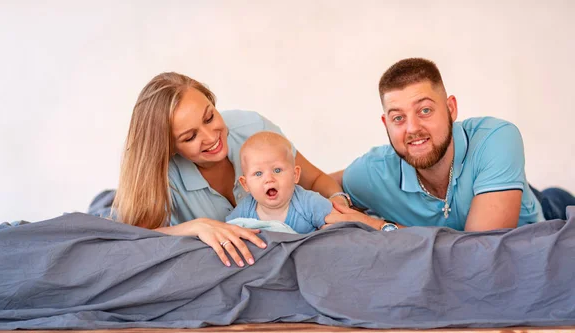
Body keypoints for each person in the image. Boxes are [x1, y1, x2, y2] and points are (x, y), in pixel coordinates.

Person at [111, 72, 346, 267]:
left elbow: (315, 180)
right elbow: (136, 240)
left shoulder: (253, 128)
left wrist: (339, 203)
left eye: (209, 117)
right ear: (170, 147)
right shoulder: (161, 176)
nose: (211, 137)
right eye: (190, 136)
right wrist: (195, 226)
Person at [327, 58, 575, 232]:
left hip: (542, 210)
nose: (412, 128)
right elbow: (318, 185)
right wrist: (339, 203)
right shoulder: (374, 170)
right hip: (494, 188)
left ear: (450, 108)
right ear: (386, 124)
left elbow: (479, 251)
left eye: (425, 110)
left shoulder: (497, 138)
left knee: (558, 201)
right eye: (398, 118)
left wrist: (380, 226)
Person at [226, 131, 333, 234]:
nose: (269, 179)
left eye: (277, 170)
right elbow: (226, 231)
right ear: (245, 184)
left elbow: (339, 224)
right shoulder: (245, 211)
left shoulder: (309, 203)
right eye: (258, 173)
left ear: (295, 175)